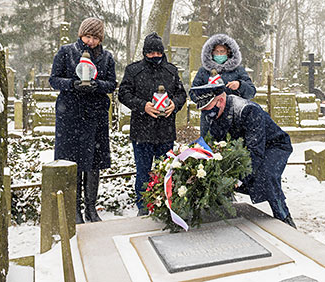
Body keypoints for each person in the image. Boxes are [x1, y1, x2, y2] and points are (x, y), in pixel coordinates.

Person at [192, 91, 296, 228]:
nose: (206, 113)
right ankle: (225, 209)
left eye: (208, 108)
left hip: (272, 145)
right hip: (239, 146)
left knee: (266, 176)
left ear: (220, 101)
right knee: (218, 173)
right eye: (203, 109)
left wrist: (237, 179)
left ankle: (284, 217)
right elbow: (207, 143)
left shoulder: (248, 110)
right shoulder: (208, 113)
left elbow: (255, 151)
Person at [49, 18, 117, 224]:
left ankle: (91, 208)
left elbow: (112, 83)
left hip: (95, 117)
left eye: (96, 37)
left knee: (93, 164)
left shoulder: (106, 57)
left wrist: (97, 85)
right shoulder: (66, 52)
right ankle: (75, 209)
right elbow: (54, 79)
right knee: (74, 163)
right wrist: (72, 84)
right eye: (88, 36)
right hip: (71, 116)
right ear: (80, 35)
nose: (91, 41)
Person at [118, 32, 187, 216]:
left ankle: (165, 203)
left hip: (165, 131)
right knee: (143, 171)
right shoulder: (133, 71)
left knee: (166, 171)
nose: (155, 56)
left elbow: (181, 94)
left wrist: (175, 104)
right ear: (144, 53)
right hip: (142, 131)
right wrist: (143, 106)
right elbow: (123, 94)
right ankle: (143, 206)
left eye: (158, 53)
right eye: (151, 53)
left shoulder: (171, 71)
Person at [191, 33, 256, 137]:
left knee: (232, 151)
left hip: (233, 121)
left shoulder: (238, 70)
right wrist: (208, 97)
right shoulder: (203, 71)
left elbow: (251, 92)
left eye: (222, 51)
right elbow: (193, 93)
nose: (219, 55)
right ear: (211, 53)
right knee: (210, 150)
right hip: (210, 120)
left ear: (228, 52)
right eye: (217, 52)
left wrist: (240, 85)